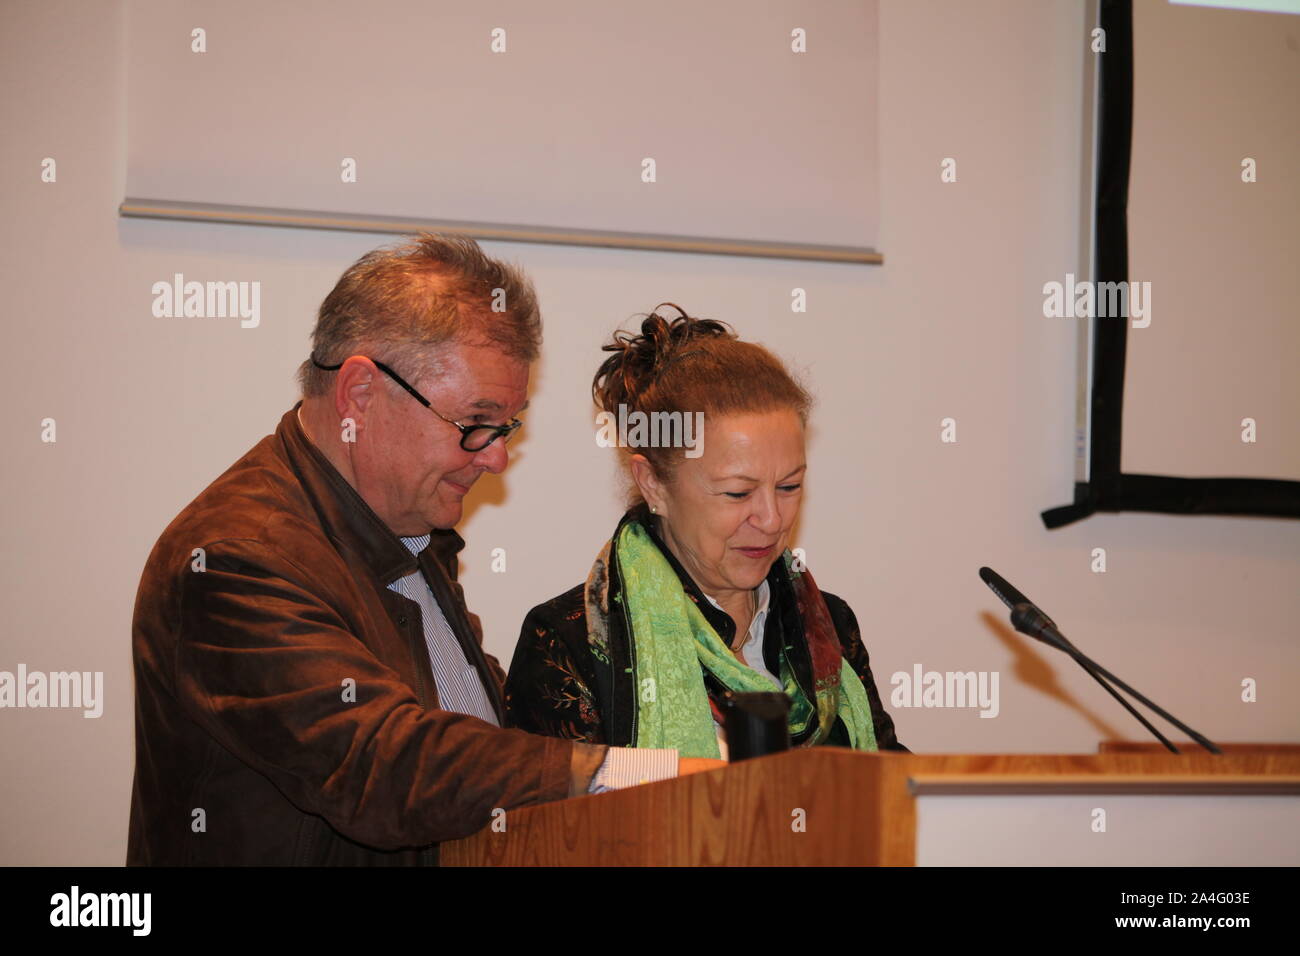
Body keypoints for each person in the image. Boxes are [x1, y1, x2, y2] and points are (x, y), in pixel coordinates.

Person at [128, 236, 705, 866]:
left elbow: (473, 736)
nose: (496, 456)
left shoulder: (403, 527)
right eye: (475, 424)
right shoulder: (237, 558)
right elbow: (386, 765)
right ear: (359, 393)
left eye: (506, 426)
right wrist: (630, 773)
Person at [505, 305, 907, 758]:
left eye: (790, 486)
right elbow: (563, 822)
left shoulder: (827, 627)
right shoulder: (572, 642)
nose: (772, 519)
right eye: (738, 493)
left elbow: (892, 792)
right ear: (653, 484)